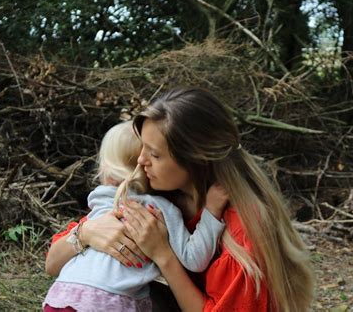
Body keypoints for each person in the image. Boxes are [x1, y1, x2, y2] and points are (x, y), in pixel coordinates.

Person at [46, 87, 315, 312]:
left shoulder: (242, 229)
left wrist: (163, 255)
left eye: (155, 154)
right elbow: (53, 264)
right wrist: (86, 232)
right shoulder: (159, 195)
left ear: (196, 159)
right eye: (142, 150)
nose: (140, 161)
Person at [43, 120, 227, 312]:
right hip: (111, 302)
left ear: (107, 171)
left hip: (64, 294)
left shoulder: (101, 200)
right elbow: (194, 259)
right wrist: (212, 212)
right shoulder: (161, 210)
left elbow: (52, 265)